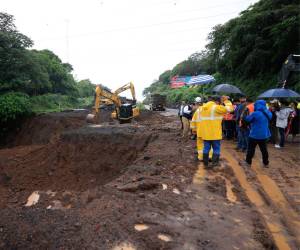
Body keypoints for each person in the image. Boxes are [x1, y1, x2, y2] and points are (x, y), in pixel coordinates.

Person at [200, 95, 233, 167]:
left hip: (206, 133)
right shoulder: (216, 107)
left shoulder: (203, 108)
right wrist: (226, 101)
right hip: (215, 133)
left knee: (206, 148)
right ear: (217, 101)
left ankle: (205, 163)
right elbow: (230, 109)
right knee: (216, 148)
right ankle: (214, 163)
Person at [241, 100, 272, 168]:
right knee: (264, 150)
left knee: (251, 149)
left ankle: (248, 163)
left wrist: (245, 115)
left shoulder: (255, 113)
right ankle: (266, 163)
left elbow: (247, 120)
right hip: (264, 135)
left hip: (254, 134)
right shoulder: (268, 113)